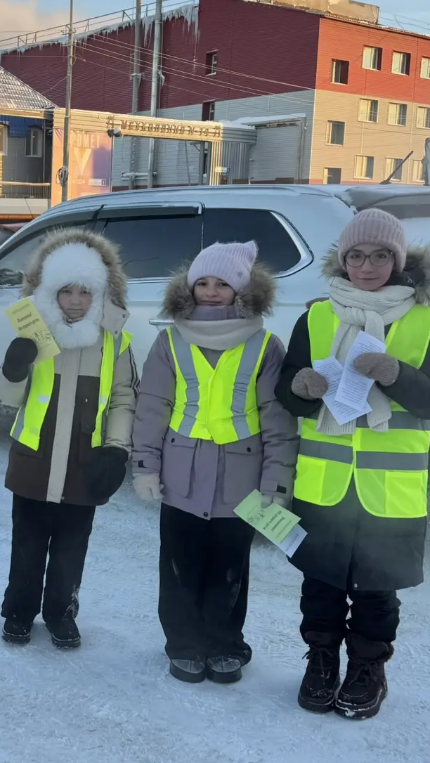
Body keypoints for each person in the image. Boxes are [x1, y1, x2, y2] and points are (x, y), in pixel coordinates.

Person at [275, 209, 430, 720]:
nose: (367, 266)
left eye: (380, 256)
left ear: (398, 261)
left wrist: (396, 373)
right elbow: (286, 392)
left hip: (388, 487)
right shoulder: (316, 316)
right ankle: (320, 662)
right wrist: (301, 388)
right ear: (342, 260)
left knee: (377, 589)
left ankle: (367, 669)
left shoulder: (424, 322)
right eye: (356, 256)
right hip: (325, 484)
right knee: (321, 585)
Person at [130, 241, 298, 685]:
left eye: (222, 283)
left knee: (230, 569)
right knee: (180, 567)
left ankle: (225, 644)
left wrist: (276, 484)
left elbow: (278, 424)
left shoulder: (265, 345)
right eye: (202, 282)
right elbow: (152, 407)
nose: (210, 291)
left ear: (241, 290)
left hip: (240, 481)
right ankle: (184, 644)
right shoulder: (170, 340)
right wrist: (144, 465)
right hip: (180, 478)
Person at [0, 229, 136, 650]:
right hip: (34, 460)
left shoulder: (114, 341)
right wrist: (15, 367)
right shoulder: (34, 334)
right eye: (66, 291)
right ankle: (18, 611)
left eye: (85, 292)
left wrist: (116, 449)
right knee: (28, 544)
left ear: (101, 294)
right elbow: (8, 395)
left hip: (84, 463)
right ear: (49, 292)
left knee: (72, 547)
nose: (75, 301)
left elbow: (125, 398)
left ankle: (61, 611)